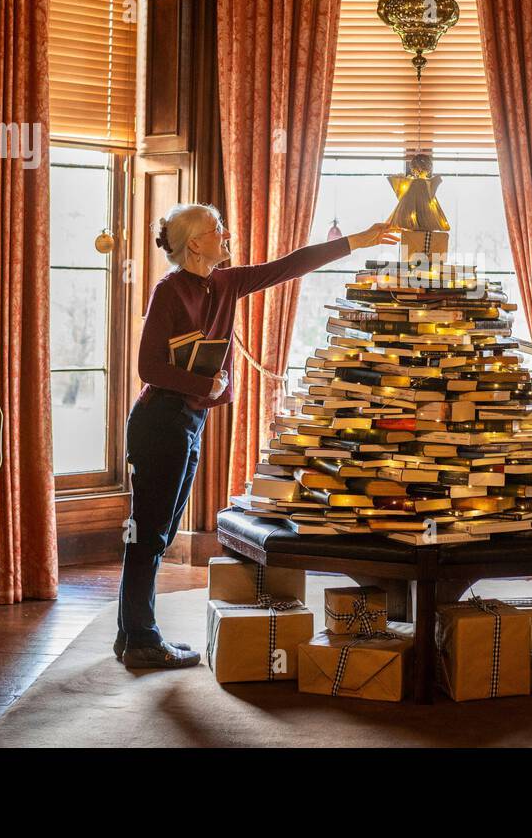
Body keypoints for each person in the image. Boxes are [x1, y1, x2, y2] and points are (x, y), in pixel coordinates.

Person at [116, 203, 398, 668]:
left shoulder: (224, 282)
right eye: (215, 229)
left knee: (155, 532)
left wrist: (356, 241)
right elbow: (148, 368)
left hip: (189, 421)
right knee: (148, 533)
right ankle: (142, 640)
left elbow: (288, 266)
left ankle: (131, 637)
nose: (225, 233)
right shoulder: (169, 291)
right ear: (195, 245)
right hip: (159, 422)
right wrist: (204, 385)